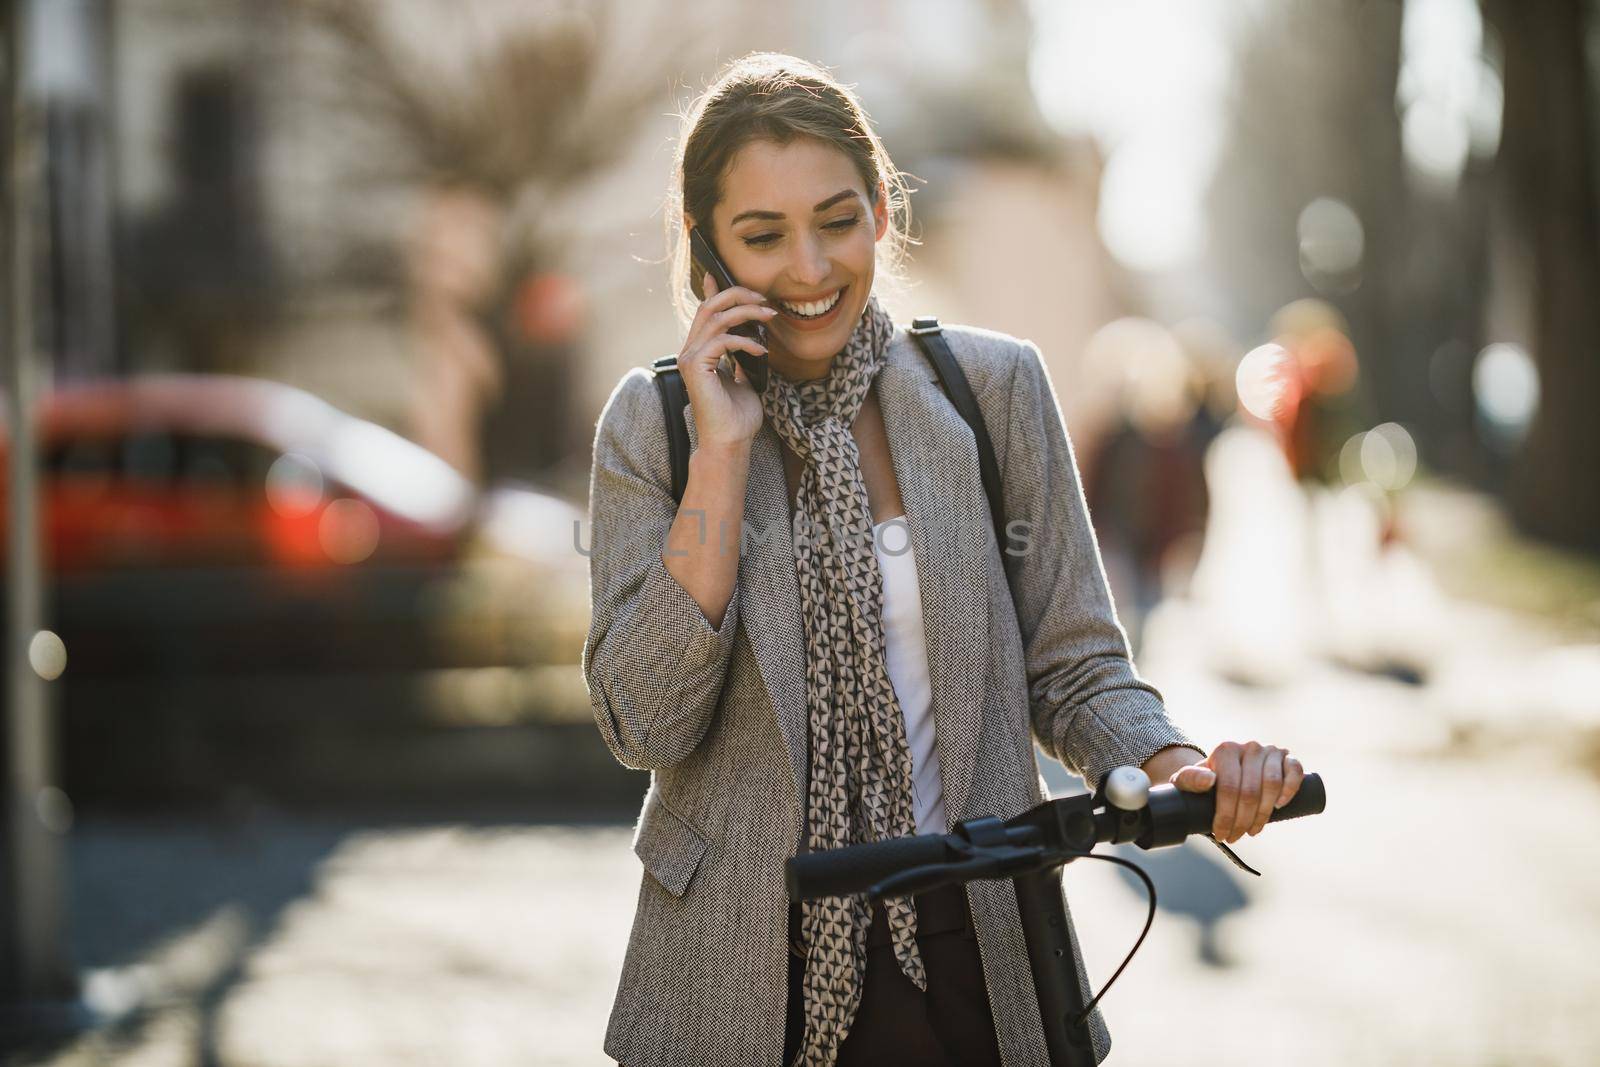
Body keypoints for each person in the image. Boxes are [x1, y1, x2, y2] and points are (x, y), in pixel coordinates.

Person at [582, 52, 1307, 1067]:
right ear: (705, 250)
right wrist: (722, 455)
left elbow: (1076, 661)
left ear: (882, 209)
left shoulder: (993, 390)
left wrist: (1169, 761)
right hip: (737, 969)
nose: (808, 266)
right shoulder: (652, 425)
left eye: (837, 219)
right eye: (761, 235)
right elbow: (644, 717)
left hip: (979, 949)